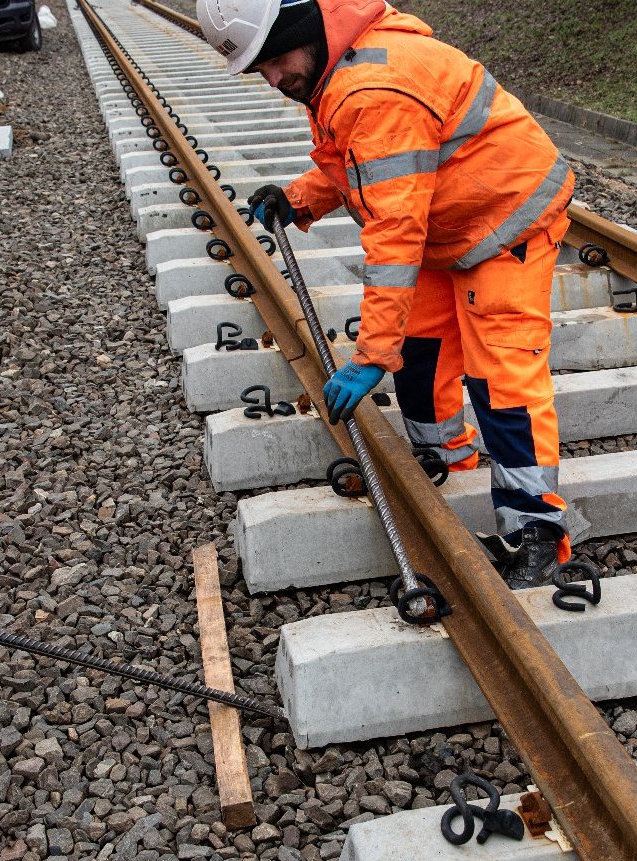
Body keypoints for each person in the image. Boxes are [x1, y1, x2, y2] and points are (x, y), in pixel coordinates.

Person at [197, 0, 576, 589]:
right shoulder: (336, 71)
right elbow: (360, 163)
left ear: (301, 30)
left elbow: (394, 237)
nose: (274, 79)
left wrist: (370, 356)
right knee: (421, 356)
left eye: (274, 60)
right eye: (259, 69)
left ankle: (536, 532)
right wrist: (300, 197)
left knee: (501, 380)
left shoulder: (374, 87)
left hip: (506, 222)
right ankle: (446, 459)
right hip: (444, 221)